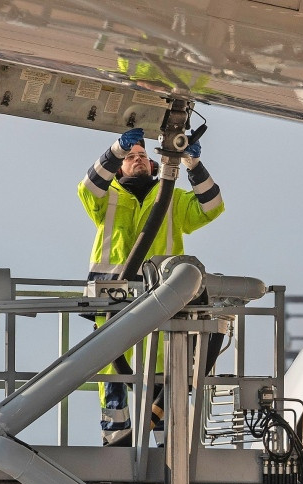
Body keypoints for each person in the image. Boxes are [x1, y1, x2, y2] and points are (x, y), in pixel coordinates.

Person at [78, 127, 224, 445]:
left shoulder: (170, 198)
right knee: (114, 376)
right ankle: (116, 441)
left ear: (156, 164)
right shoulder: (107, 198)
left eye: (143, 155)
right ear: (118, 166)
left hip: (162, 302)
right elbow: (88, 186)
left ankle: (167, 445)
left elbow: (212, 206)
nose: (138, 158)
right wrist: (116, 148)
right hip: (112, 303)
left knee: (165, 374)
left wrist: (192, 164)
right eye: (131, 156)